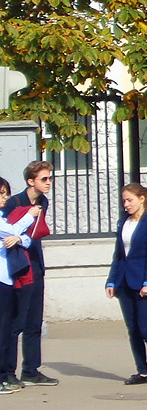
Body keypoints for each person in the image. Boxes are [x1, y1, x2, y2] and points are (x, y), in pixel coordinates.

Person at [106, 183, 147, 387]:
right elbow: (118, 255)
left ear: (142, 199)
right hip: (124, 282)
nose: (126, 204)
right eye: (124, 200)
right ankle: (142, 372)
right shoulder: (123, 222)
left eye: (130, 200)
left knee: (146, 329)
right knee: (132, 329)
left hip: (143, 282)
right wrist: (112, 280)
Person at [0, 161, 57, 388]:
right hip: (18, 268)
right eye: (44, 179)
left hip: (35, 264)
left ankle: (31, 369)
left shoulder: (43, 202)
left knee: (35, 320)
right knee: (16, 322)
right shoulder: (15, 202)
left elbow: (33, 233)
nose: (48, 183)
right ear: (31, 181)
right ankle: (8, 371)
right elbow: (9, 233)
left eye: (49, 178)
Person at [0, 203, 42, 393]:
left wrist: (18, 238)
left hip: (8, 279)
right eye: (1, 193)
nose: (5, 198)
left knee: (7, 328)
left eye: (5, 193)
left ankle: (4, 375)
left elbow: (25, 240)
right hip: (2, 280)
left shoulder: (3, 216)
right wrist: (30, 215)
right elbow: (14, 230)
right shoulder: (6, 221)